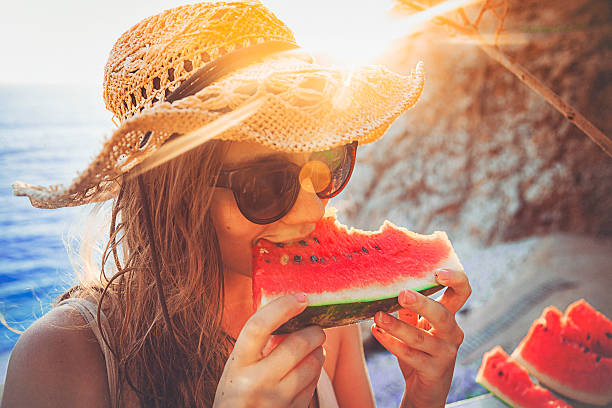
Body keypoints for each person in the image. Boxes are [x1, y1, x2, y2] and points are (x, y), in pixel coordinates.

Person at [4, 2, 471, 407]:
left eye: (326, 162)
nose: (312, 211)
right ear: (176, 195)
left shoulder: (324, 320)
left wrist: (422, 399)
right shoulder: (62, 359)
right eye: (266, 183)